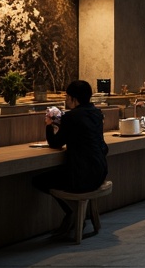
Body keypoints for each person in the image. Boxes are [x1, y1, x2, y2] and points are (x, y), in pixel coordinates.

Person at [32, 80, 108, 236]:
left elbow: (55, 143)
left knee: (38, 180)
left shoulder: (71, 117)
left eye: (67, 97)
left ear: (74, 99)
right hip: (100, 172)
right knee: (61, 173)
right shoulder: (96, 113)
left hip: (82, 177)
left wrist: (48, 124)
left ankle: (71, 211)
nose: (66, 100)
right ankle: (76, 214)